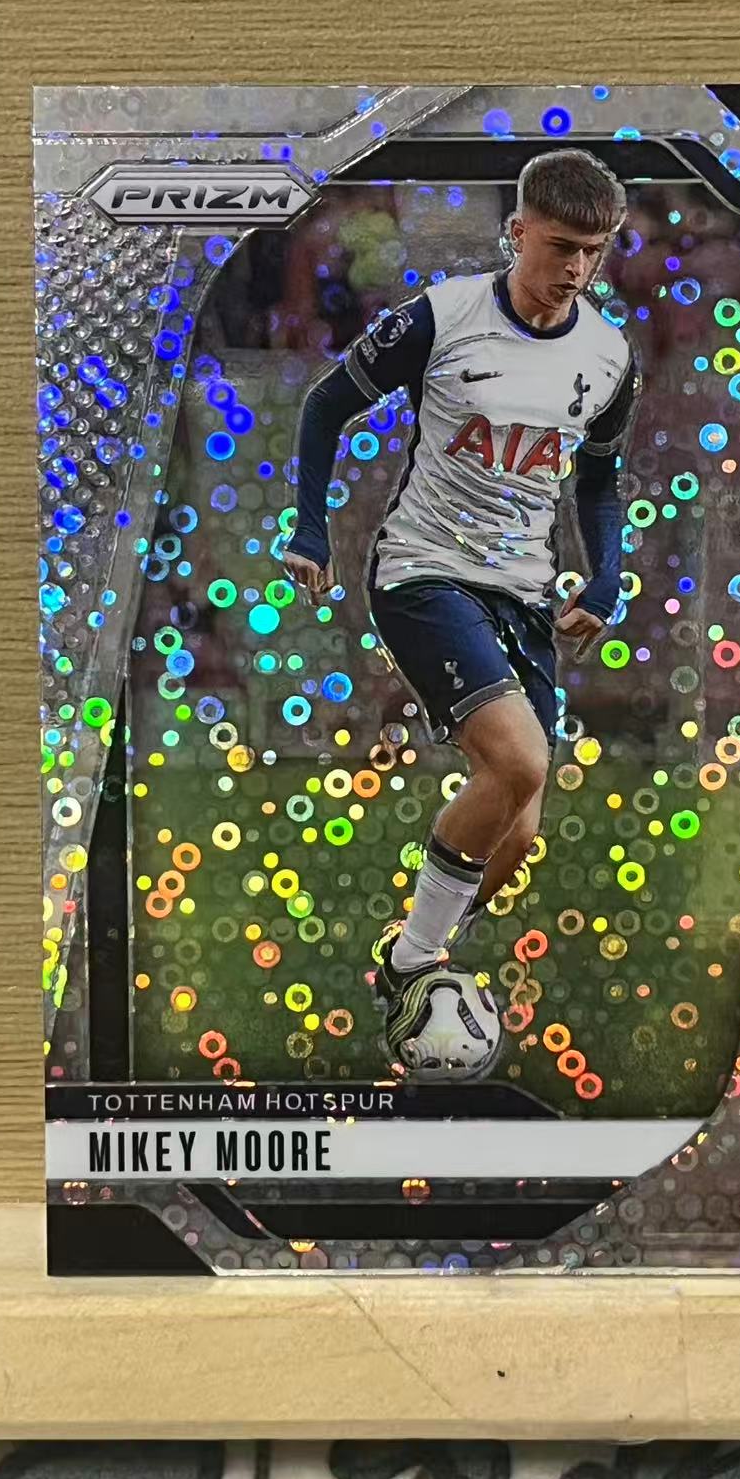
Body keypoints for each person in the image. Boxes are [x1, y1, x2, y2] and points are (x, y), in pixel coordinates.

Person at [284, 148, 641, 1074]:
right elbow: (325, 405)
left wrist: (606, 579)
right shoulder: (441, 318)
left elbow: (599, 481)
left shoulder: (609, 356)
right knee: (519, 761)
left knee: (519, 832)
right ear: (517, 232)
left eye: (594, 251)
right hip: (424, 572)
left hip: (524, 593)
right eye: (560, 246)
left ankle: (413, 960)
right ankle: (414, 966)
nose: (576, 268)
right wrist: (311, 528)